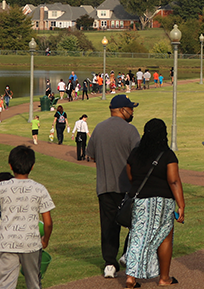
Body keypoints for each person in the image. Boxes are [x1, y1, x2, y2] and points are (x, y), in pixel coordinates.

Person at [0, 145, 55, 289]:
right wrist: (45, 239)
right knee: (34, 283)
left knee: (5, 284)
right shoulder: (39, 189)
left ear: (10, 165)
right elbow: (48, 223)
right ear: (32, 167)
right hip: (31, 244)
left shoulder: (1, 187)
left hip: (6, 243)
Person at [123, 118, 186, 288]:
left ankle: (130, 277)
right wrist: (181, 205)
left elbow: (130, 176)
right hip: (162, 201)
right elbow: (174, 181)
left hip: (140, 200)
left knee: (137, 236)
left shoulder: (135, 153)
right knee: (165, 237)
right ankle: (164, 278)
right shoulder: (168, 155)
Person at [86, 95, 141, 278]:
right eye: (131, 108)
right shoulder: (130, 130)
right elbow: (138, 158)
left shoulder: (99, 128)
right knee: (135, 222)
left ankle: (109, 263)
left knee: (108, 225)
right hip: (127, 187)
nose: (132, 112)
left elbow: (91, 155)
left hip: (104, 186)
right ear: (123, 110)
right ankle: (126, 253)